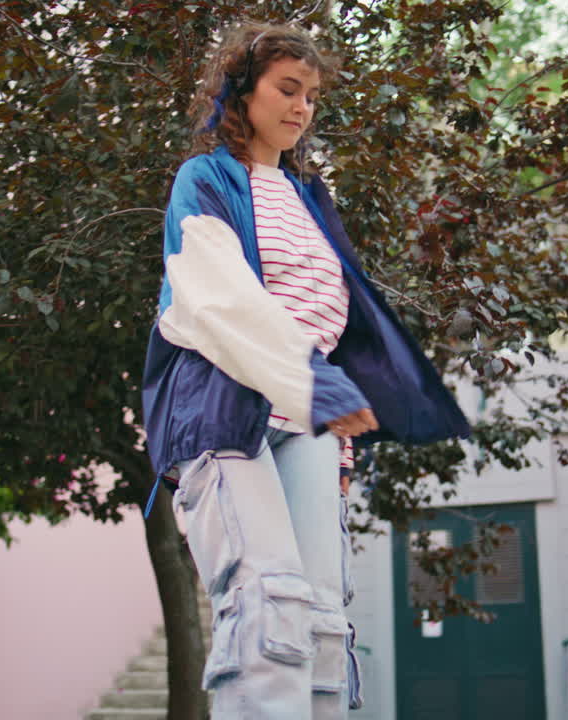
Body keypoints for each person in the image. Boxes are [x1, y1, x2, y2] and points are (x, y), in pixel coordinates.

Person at [141, 22, 470, 720]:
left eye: (313, 96)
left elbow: (333, 326)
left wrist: (337, 428)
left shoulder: (308, 198)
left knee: (322, 616)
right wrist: (318, 388)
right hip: (225, 410)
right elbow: (218, 299)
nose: (302, 107)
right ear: (242, 92)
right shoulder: (205, 180)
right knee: (269, 602)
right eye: (288, 89)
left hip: (311, 423)